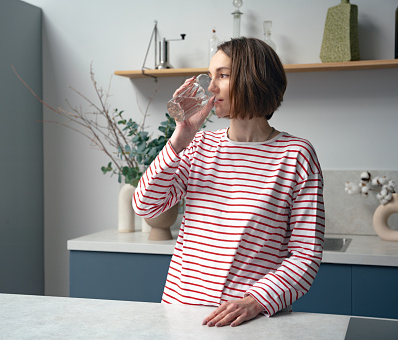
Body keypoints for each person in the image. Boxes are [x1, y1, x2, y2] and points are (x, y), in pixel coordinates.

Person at [132, 37, 325, 328]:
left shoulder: (296, 154)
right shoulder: (199, 145)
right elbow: (146, 205)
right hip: (183, 313)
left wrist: (256, 301)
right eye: (210, 77)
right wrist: (179, 138)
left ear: (253, 78)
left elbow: (305, 254)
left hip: (251, 321)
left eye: (222, 75)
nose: (210, 88)